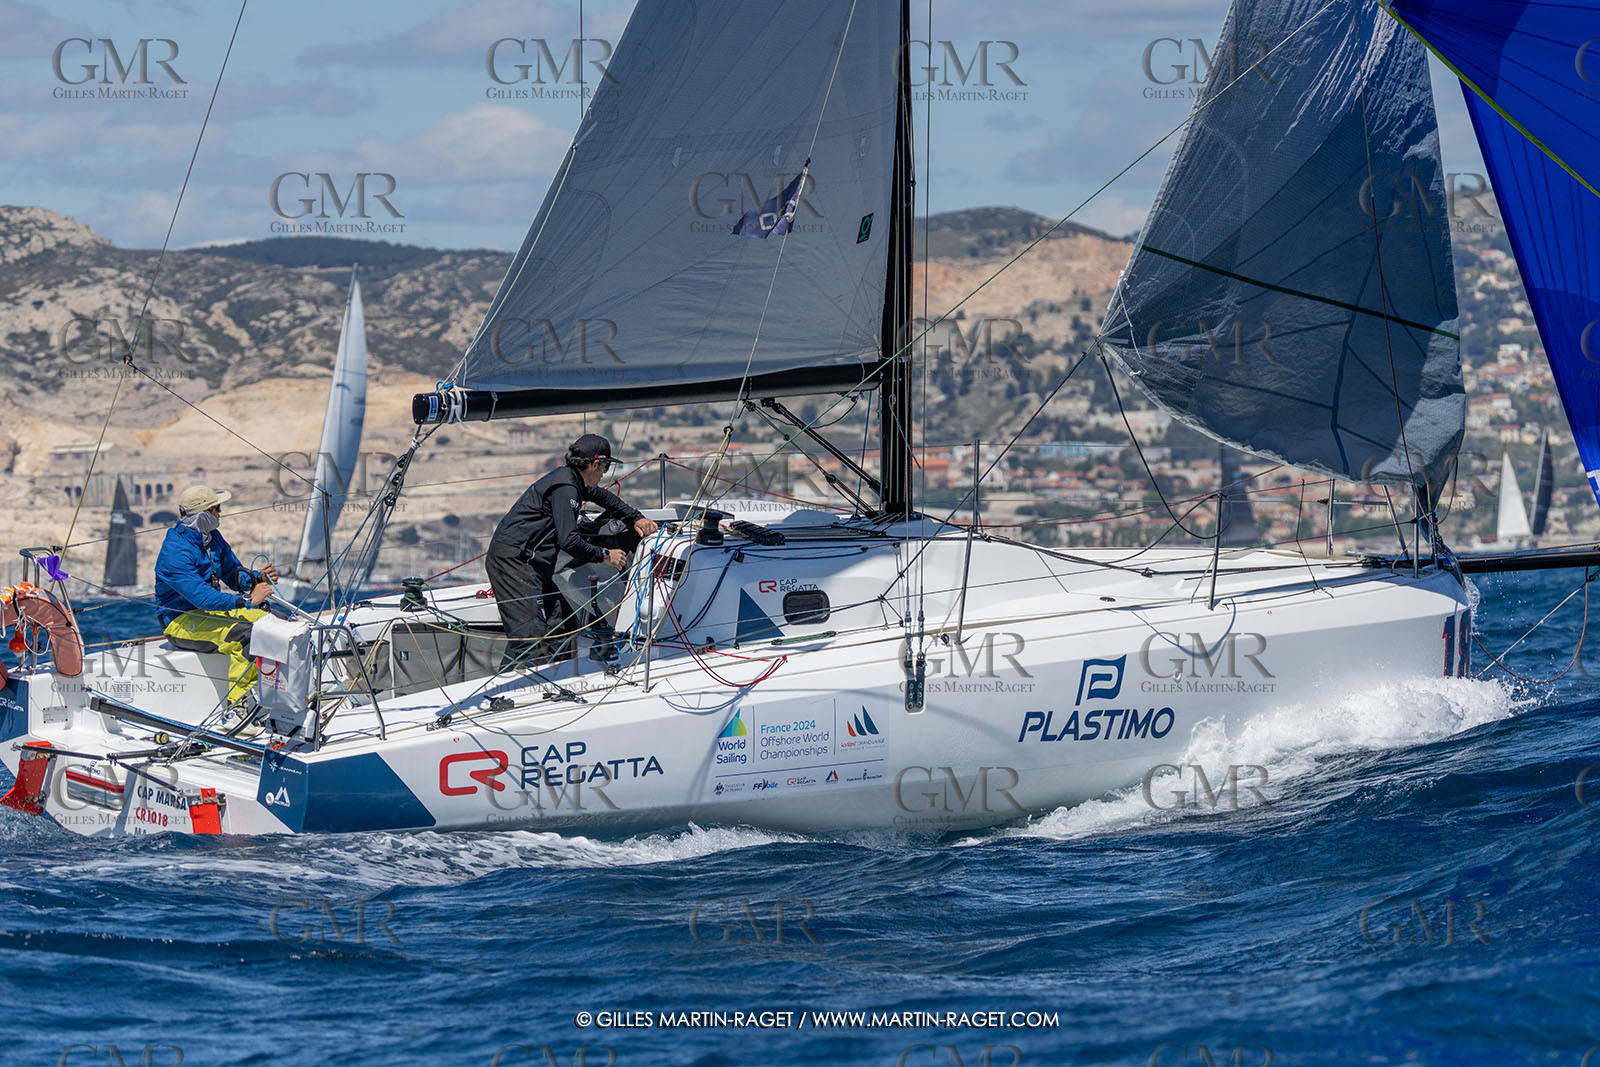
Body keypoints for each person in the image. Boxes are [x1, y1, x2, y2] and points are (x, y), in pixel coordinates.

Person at [487, 433, 658, 665]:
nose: (604, 473)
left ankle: (560, 677)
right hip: (514, 561)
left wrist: (636, 517)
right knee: (529, 636)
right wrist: (605, 555)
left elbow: (602, 496)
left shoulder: (572, 480)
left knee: (564, 626)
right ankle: (517, 691)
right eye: (605, 467)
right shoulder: (566, 487)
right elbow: (570, 541)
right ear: (595, 464)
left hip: (533, 563)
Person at [153, 484, 279, 707]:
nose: (220, 513)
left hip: (210, 612)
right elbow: (201, 598)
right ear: (203, 515)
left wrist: (258, 579)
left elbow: (232, 574)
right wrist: (248, 600)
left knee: (270, 625)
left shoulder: (212, 538)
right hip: (180, 621)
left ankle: (275, 694)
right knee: (246, 637)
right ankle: (238, 707)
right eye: (216, 509)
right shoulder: (174, 552)